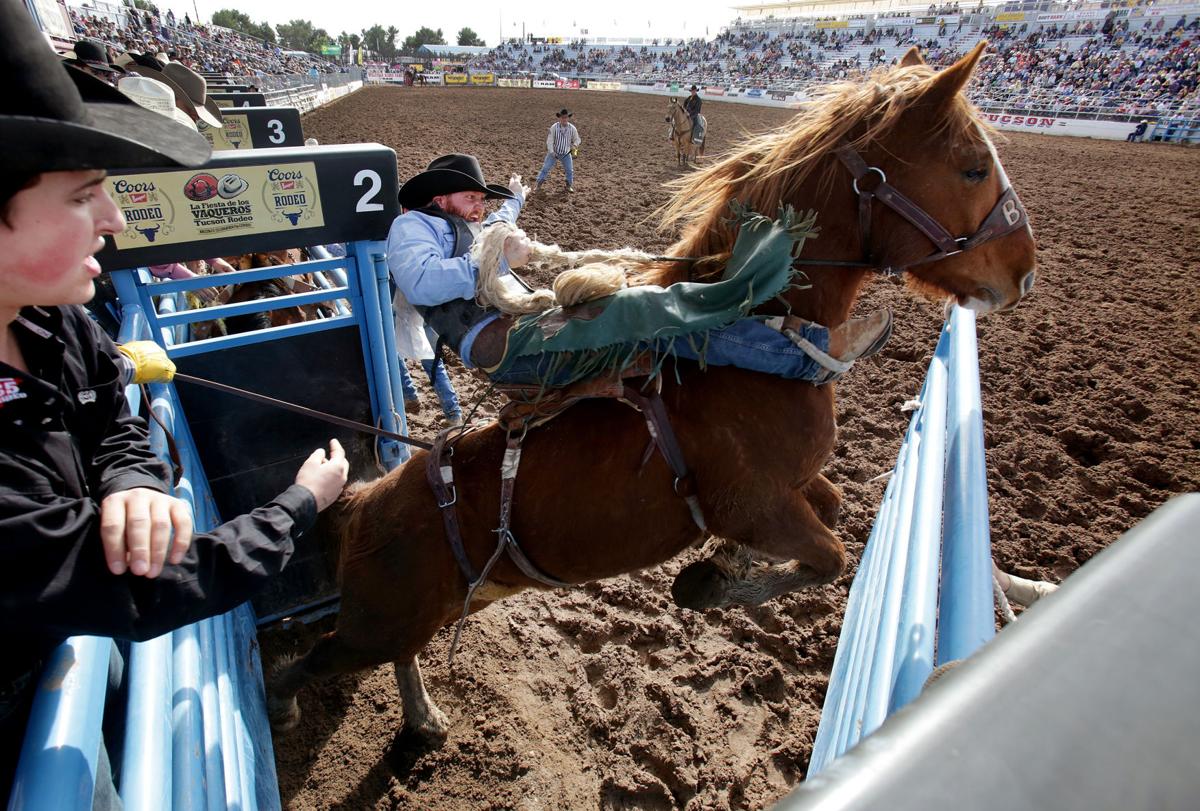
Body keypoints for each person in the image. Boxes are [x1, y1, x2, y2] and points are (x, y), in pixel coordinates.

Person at [0, 1, 348, 800]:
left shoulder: (53, 321)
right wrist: (300, 502)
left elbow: (114, 413)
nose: (115, 219)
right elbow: (148, 586)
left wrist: (131, 480)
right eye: (85, 196)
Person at [387, 153, 893, 389]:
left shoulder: (471, 225)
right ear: (440, 197)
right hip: (497, 344)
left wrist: (513, 202)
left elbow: (495, 225)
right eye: (471, 197)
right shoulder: (411, 231)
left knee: (637, 303)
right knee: (642, 307)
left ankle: (773, 334)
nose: (479, 207)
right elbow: (422, 282)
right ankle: (806, 359)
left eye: (481, 199)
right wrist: (495, 258)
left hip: (518, 328)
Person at [533, 108, 581, 194]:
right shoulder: (554, 127)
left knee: (569, 170)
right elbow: (550, 140)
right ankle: (538, 185)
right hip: (554, 152)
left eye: (566, 117)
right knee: (545, 168)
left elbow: (577, 139)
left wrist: (574, 146)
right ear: (560, 118)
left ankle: (569, 185)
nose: (564, 119)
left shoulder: (572, 128)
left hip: (566, 153)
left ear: (568, 118)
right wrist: (552, 152)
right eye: (563, 117)